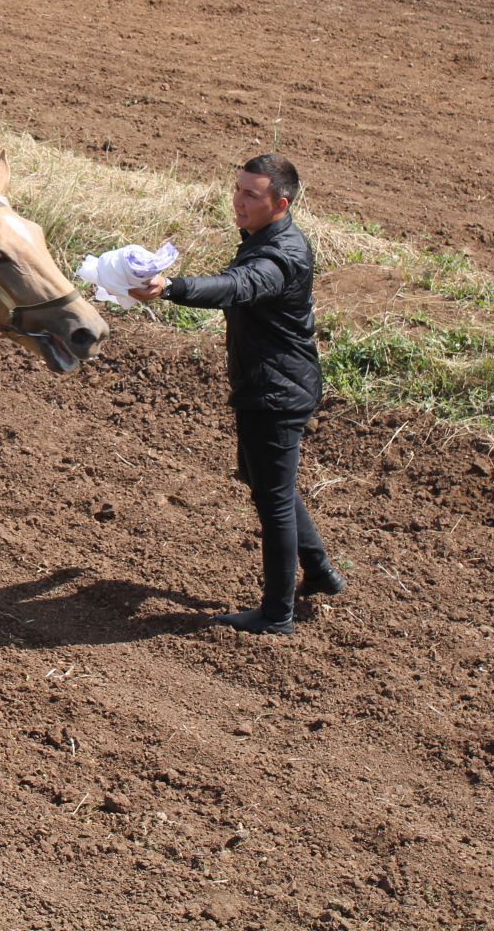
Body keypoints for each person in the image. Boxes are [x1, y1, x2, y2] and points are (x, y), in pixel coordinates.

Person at [130, 155, 345, 635]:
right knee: (266, 480)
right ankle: (321, 573)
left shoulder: (279, 256)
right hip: (272, 382)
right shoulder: (264, 239)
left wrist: (171, 289)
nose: (238, 200)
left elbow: (238, 286)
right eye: (237, 189)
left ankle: (277, 613)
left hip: (276, 393)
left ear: (280, 203)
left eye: (251, 194)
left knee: (273, 500)